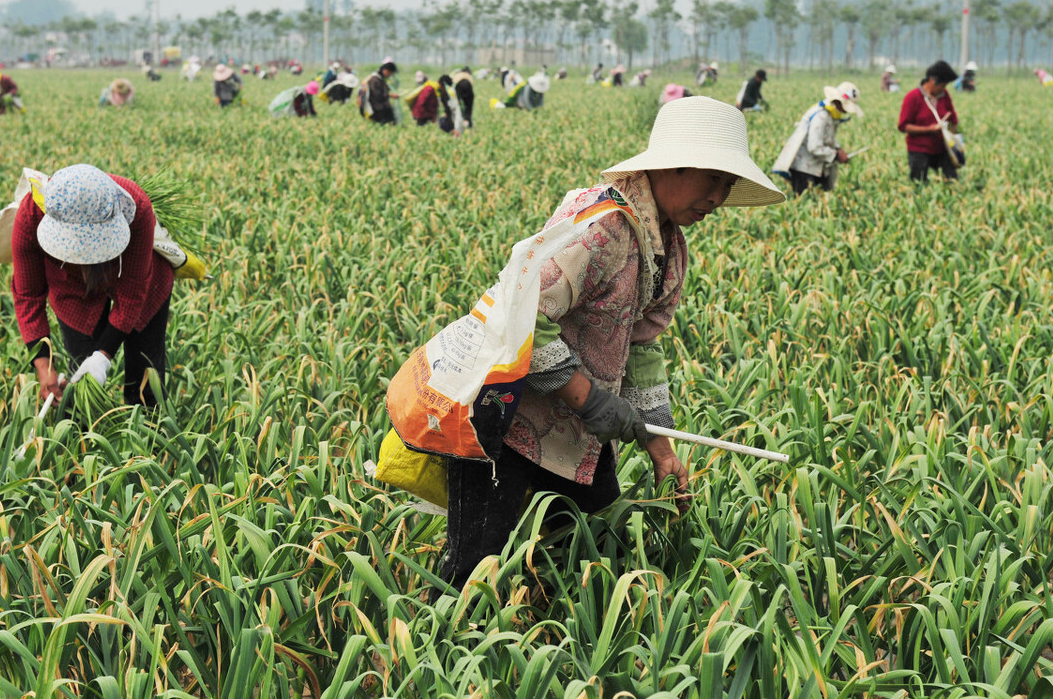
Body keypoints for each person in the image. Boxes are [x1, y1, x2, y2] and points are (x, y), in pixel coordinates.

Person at [433, 96, 785, 588]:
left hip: (576, 437)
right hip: (504, 421)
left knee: (583, 558)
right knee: (475, 567)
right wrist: (591, 398)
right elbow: (521, 316)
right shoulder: (603, 226)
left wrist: (661, 449)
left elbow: (642, 347)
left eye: (727, 185)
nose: (719, 197)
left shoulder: (670, 248)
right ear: (674, 165)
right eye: (714, 179)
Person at [11, 164, 175, 408]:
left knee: (145, 374)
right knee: (81, 381)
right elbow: (28, 295)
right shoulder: (31, 214)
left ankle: (148, 428)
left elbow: (132, 295)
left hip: (135, 275)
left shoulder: (136, 207)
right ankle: (85, 433)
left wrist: (102, 356)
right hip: (69, 282)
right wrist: (44, 367)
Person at [779, 82, 863, 196]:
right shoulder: (821, 116)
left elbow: (828, 137)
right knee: (805, 200)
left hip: (815, 166)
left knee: (818, 199)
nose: (845, 112)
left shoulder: (830, 114)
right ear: (838, 102)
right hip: (803, 168)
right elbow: (814, 147)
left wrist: (838, 149)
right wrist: (836, 155)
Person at [898, 60, 960, 183]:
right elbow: (904, 126)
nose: (944, 88)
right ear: (932, 81)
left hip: (942, 149)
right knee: (919, 183)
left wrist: (951, 140)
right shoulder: (913, 97)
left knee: (952, 181)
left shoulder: (944, 95)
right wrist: (929, 130)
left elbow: (953, 119)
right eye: (942, 85)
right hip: (919, 149)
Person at [361, 59, 399, 124]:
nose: (390, 76)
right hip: (376, 110)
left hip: (381, 108)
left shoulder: (380, 79)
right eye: (390, 73)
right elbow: (377, 95)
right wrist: (390, 95)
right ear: (386, 70)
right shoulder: (375, 80)